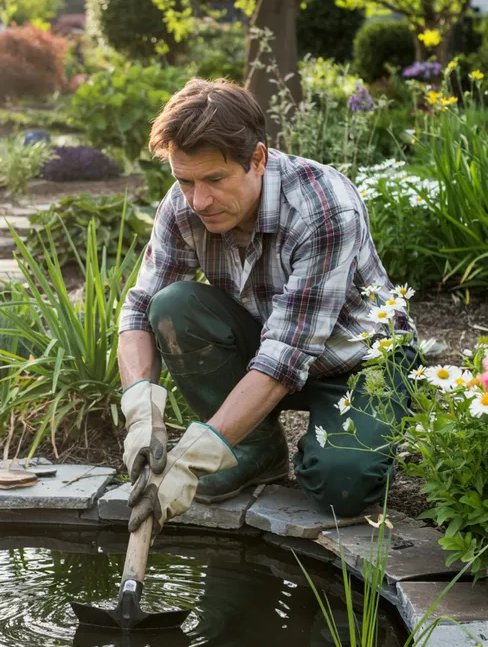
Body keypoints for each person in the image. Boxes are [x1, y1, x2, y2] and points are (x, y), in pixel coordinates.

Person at [118, 78, 416, 534]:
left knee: (341, 487)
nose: (199, 200)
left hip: (361, 362)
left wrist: (197, 454)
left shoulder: (323, 209)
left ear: (257, 159)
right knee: (172, 305)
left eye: (215, 179)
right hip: (267, 348)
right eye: (185, 180)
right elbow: (139, 309)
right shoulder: (185, 205)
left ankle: (323, 448)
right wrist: (139, 408)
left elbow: (283, 357)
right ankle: (256, 450)